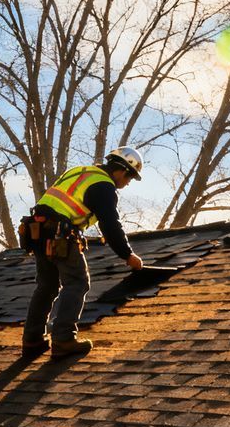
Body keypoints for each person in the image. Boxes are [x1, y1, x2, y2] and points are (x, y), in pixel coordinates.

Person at [21, 146, 145, 360]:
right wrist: (127, 255)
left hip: (37, 232)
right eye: (130, 178)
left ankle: (32, 341)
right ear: (122, 171)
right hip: (60, 234)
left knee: (47, 285)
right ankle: (64, 340)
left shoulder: (82, 172)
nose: (127, 184)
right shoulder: (103, 186)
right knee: (77, 282)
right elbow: (110, 225)